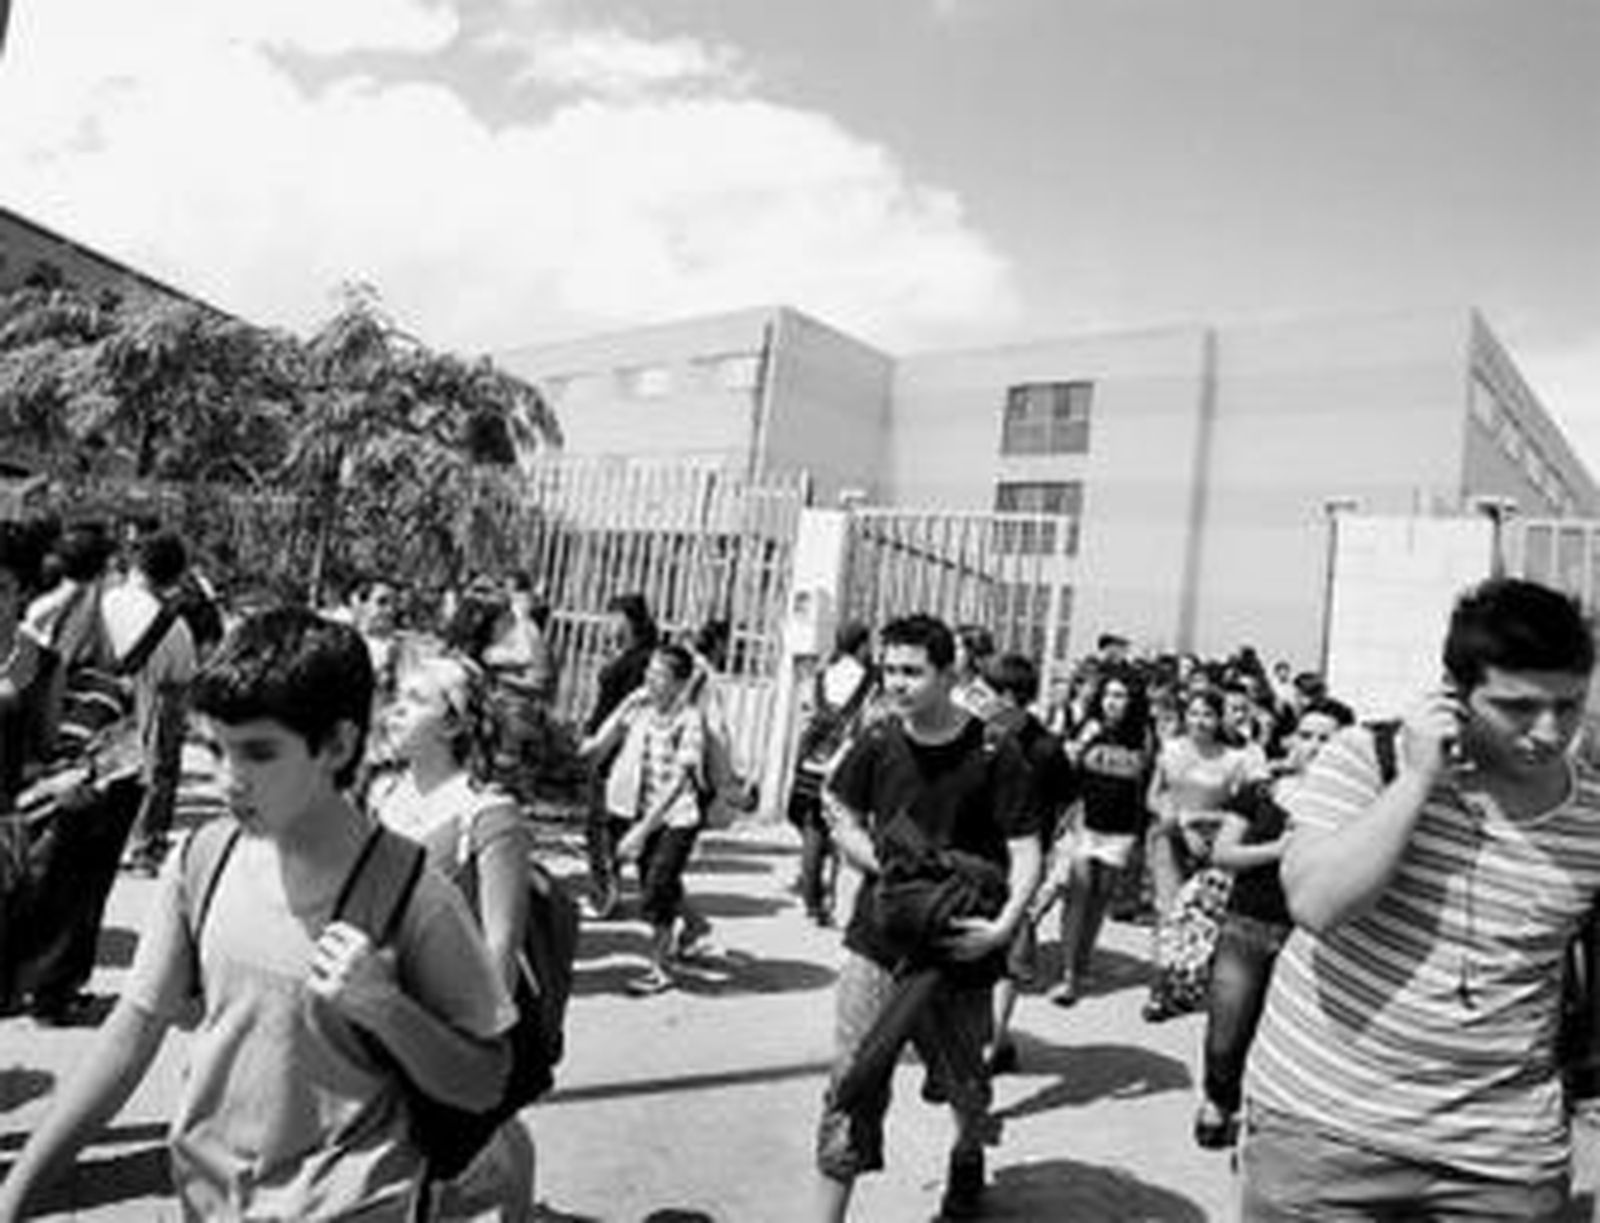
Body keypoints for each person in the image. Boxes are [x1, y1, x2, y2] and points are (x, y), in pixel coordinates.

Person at [0, 608, 517, 1221]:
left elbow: (486, 1081)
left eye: (258, 753)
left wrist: (388, 1009)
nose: (227, 780)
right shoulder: (204, 859)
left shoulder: (413, 895)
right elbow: (131, 1035)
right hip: (210, 1199)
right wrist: (16, 1195)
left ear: (338, 745)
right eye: (216, 750)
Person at [1240, 578, 1600, 1220]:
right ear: (1453, 693)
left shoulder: (1592, 813)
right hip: (1323, 1130)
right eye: (1518, 707)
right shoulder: (1366, 760)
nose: (1549, 732)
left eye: (1568, 706)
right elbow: (1318, 903)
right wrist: (1416, 782)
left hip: (1502, 1156)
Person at [812, 614, 1041, 1222]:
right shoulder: (879, 741)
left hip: (960, 951)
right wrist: (882, 865)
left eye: (912, 672)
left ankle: (967, 1156)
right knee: (852, 1081)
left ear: (949, 674)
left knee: (965, 1081)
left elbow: (1026, 850)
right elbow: (841, 808)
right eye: (889, 670)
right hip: (878, 943)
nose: (896, 683)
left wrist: (1001, 927)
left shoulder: (995, 752)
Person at [371, 651, 538, 1219]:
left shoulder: (488, 814)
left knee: (449, 1150)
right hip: (375, 1004)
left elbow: (501, 948)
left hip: (442, 1017)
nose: (394, 711)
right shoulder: (380, 797)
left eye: (414, 700)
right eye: (396, 696)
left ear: (452, 723)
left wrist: (474, 1048)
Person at [1193, 696, 1352, 1150]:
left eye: (1327, 739)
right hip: (1247, 926)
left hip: (1311, 938)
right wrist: (1279, 848)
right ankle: (1218, 1100)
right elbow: (1223, 854)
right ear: (1291, 740)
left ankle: (1270, 1117)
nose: (1315, 746)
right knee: (1228, 1029)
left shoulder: (1355, 807)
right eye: (1307, 736)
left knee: (1292, 1041)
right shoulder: (1260, 792)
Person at [581, 642, 710, 995]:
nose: (649, 681)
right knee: (662, 878)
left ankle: (660, 968)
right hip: (640, 810)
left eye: (658, 675)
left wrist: (640, 829)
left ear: (680, 683)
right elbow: (598, 745)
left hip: (677, 817)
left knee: (655, 888)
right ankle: (696, 927)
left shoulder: (690, 719)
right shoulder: (640, 709)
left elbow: (679, 782)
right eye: (648, 673)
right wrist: (625, 704)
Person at [976, 652, 1073, 1076]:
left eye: (984, 691)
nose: (977, 699)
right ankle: (996, 1041)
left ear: (1008, 696)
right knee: (1002, 961)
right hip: (1013, 864)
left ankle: (988, 1047)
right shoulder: (1048, 745)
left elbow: (1068, 804)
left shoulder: (977, 737)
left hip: (1002, 865)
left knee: (1000, 957)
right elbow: (1070, 803)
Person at [1143, 688, 1257, 1022]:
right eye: (1193, 713)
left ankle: (1190, 984)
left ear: (1219, 717)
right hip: (1170, 839)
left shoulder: (1235, 761)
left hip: (1212, 847)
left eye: (1207, 714)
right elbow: (1154, 796)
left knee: (1202, 921)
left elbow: (1242, 811)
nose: (1200, 721)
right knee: (1168, 914)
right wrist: (1180, 821)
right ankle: (1159, 990)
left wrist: (1204, 820)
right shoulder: (1171, 751)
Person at [1048, 668, 1154, 1006]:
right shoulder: (1087, 727)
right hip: (1084, 823)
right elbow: (1066, 773)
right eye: (1108, 695)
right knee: (1078, 893)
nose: (1113, 702)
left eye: (1121, 695)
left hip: (1120, 831)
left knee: (1099, 899)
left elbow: (1147, 786)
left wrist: (1141, 836)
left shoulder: (1144, 737)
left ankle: (1082, 961)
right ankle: (1068, 974)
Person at [113, 530, 201, 877]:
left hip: (96, 711)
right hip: (148, 712)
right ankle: (143, 847)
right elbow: (182, 681)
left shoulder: (103, 602)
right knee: (153, 770)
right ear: (176, 576)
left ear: (136, 563)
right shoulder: (174, 626)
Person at [788, 619, 878, 927]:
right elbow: (868, 722)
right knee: (846, 829)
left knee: (814, 826)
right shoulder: (870, 680)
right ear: (862, 644)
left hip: (813, 761)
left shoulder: (822, 676)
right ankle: (839, 904)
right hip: (847, 763)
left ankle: (812, 901)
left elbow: (804, 715)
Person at [581, 592, 659, 918]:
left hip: (616, 747)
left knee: (601, 824)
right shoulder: (627, 654)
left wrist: (600, 742)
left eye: (612, 617)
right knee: (609, 823)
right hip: (609, 742)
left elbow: (625, 709)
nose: (607, 624)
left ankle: (605, 895)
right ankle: (612, 890)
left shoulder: (640, 660)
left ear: (628, 620)